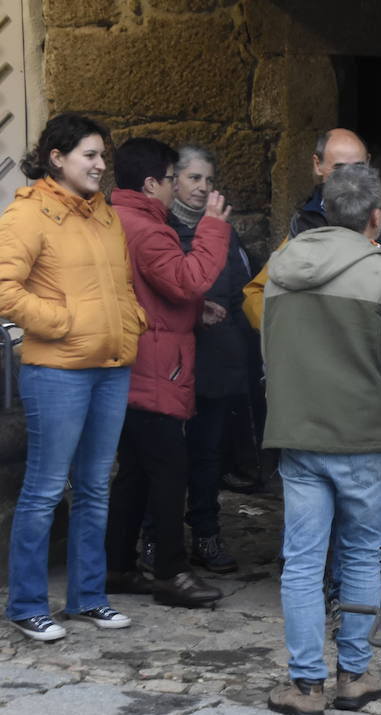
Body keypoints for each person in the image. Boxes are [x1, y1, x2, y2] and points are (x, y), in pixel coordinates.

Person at [260, 163, 381, 715]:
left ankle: (305, 684)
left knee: (303, 562)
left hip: (300, 432)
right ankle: (354, 674)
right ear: (376, 217)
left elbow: (269, 350)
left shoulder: (282, 266)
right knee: (360, 553)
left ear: (325, 210)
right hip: (363, 435)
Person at [0, 114, 147, 640]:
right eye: (90, 155)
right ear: (57, 158)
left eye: (103, 156)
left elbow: (123, 282)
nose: (101, 165)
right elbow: (5, 287)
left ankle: (88, 597)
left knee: (94, 487)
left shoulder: (104, 214)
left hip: (110, 366)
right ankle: (26, 605)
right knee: (43, 490)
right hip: (57, 371)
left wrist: (131, 323)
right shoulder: (26, 215)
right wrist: (62, 323)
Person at [104, 137, 229, 608]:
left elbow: (153, 292)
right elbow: (186, 279)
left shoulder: (120, 219)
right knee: (169, 472)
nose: (181, 186)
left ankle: (116, 566)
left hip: (133, 365)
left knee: (134, 472)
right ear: (152, 182)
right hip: (154, 369)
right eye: (175, 177)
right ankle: (172, 574)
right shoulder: (149, 229)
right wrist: (213, 229)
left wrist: (196, 311)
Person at [165, 144, 254, 576]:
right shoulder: (159, 228)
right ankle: (156, 540)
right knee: (162, 455)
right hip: (168, 361)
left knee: (207, 454)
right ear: (173, 180)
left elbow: (238, 289)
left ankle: (205, 533)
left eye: (208, 180)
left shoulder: (223, 229)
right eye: (193, 178)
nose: (202, 187)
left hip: (215, 358)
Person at [242, 128, 381, 330]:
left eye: (358, 168)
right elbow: (257, 294)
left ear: (369, 163)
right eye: (339, 169)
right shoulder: (306, 221)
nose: (350, 180)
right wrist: (293, 333)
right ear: (317, 165)